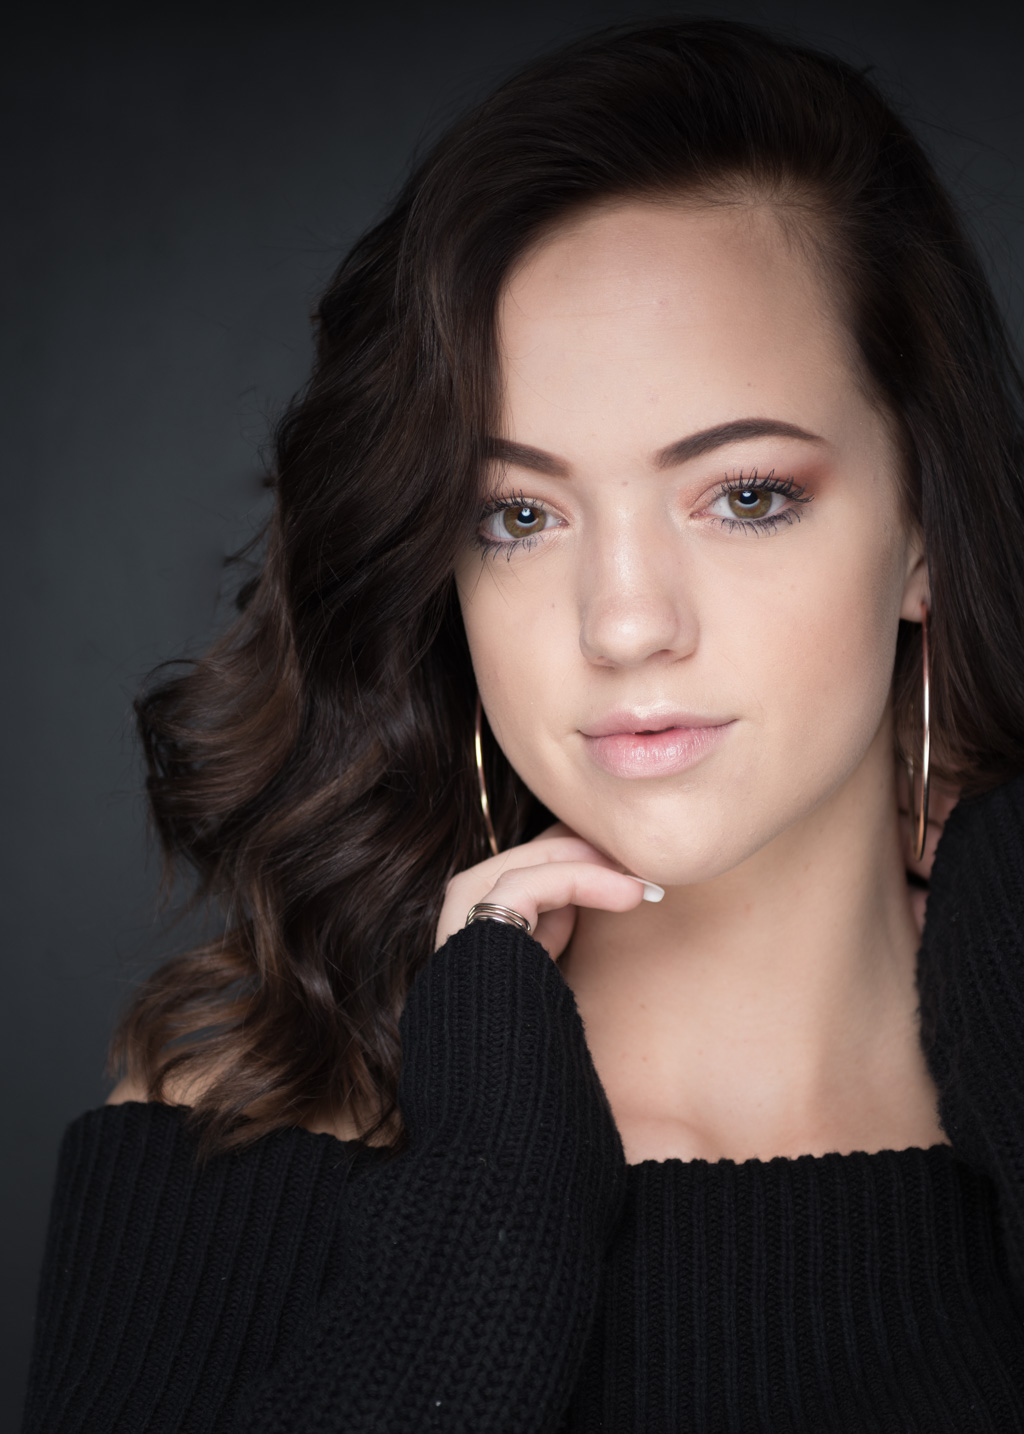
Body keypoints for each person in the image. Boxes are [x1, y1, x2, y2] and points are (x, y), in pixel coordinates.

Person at [22, 17, 1024, 1433]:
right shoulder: (242, 1114)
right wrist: (484, 1218)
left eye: (745, 493)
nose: (624, 622)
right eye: (522, 514)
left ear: (925, 526)